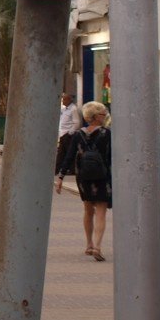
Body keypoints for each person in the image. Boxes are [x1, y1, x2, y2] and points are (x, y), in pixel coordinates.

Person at [56, 101, 112, 261]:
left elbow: (69, 156)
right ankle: (97, 246)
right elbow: (113, 157)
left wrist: (61, 176)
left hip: (84, 177)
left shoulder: (78, 134)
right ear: (95, 117)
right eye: (102, 114)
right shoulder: (107, 134)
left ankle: (88, 244)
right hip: (102, 176)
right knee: (101, 211)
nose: (104, 117)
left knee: (88, 210)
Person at [55, 92, 82, 177]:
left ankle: (72, 170)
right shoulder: (63, 109)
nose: (63, 101)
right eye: (62, 99)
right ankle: (57, 169)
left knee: (69, 153)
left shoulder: (73, 109)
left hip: (68, 135)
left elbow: (77, 122)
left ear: (69, 100)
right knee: (61, 153)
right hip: (62, 134)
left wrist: (70, 133)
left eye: (64, 99)